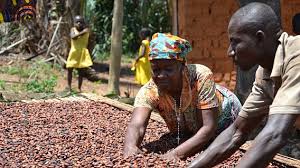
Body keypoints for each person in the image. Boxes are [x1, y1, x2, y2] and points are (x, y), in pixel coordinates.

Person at [189, 3, 300, 168]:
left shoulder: (296, 54)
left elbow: (275, 135)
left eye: (235, 42)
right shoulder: (265, 73)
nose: (229, 52)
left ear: (259, 38)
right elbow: (237, 132)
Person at [124, 33, 242, 160]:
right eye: (156, 70)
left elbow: (208, 128)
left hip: (227, 117)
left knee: (213, 140)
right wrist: (130, 148)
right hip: (191, 128)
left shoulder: (200, 75)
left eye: (168, 69)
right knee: (180, 137)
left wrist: (172, 156)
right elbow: (137, 125)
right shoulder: (149, 91)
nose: (161, 75)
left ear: (182, 66)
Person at [66, 15, 93, 92]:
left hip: (82, 52)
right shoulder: (73, 30)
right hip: (74, 52)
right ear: (74, 23)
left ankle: (79, 88)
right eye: (77, 22)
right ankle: (69, 87)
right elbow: (73, 37)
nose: (79, 24)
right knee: (69, 69)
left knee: (81, 72)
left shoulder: (87, 31)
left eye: (81, 22)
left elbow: (90, 42)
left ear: (84, 23)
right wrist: (82, 33)